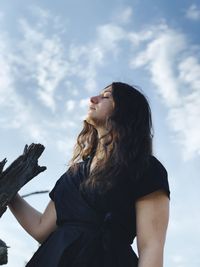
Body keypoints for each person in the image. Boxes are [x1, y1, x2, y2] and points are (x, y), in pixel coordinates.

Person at [9, 82, 170, 267]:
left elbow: (151, 247)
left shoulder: (147, 169)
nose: (93, 99)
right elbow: (40, 228)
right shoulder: (73, 173)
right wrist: (9, 193)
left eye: (107, 96)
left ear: (126, 111)